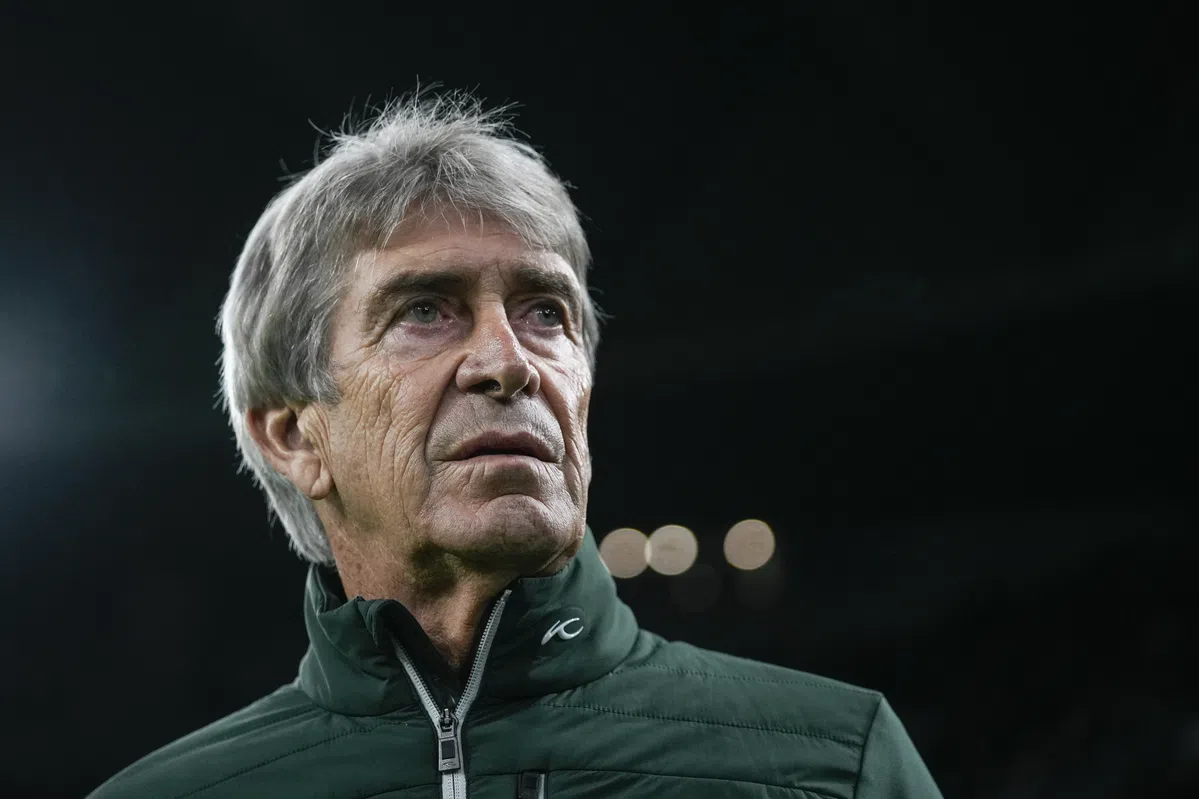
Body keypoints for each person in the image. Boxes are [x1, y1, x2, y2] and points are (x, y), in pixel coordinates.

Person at [89, 92, 943, 799]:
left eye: (544, 312)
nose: (509, 362)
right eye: (425, 310)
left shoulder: (834, 766)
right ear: (292, 435)